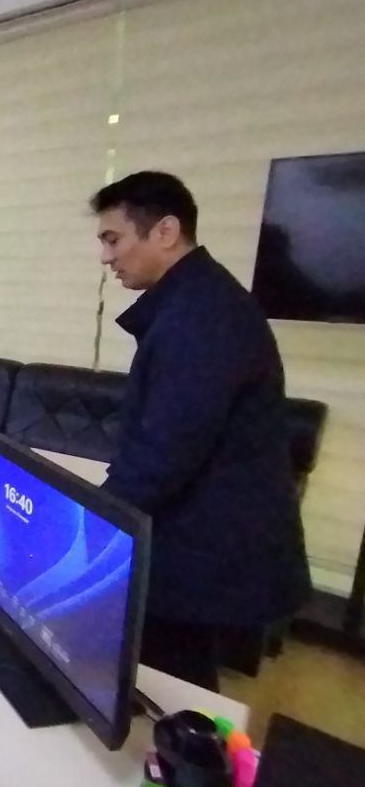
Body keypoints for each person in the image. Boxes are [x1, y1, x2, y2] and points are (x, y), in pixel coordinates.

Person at [92, 171, 309, 691]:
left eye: (113, 239)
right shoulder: (196, 299)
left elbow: (165, 452)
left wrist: (92, 519)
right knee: (169, 670)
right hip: (194, 529)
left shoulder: (202, 316)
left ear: (165, 232)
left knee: (174, 681)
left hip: (205, 544)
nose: (105, 257)